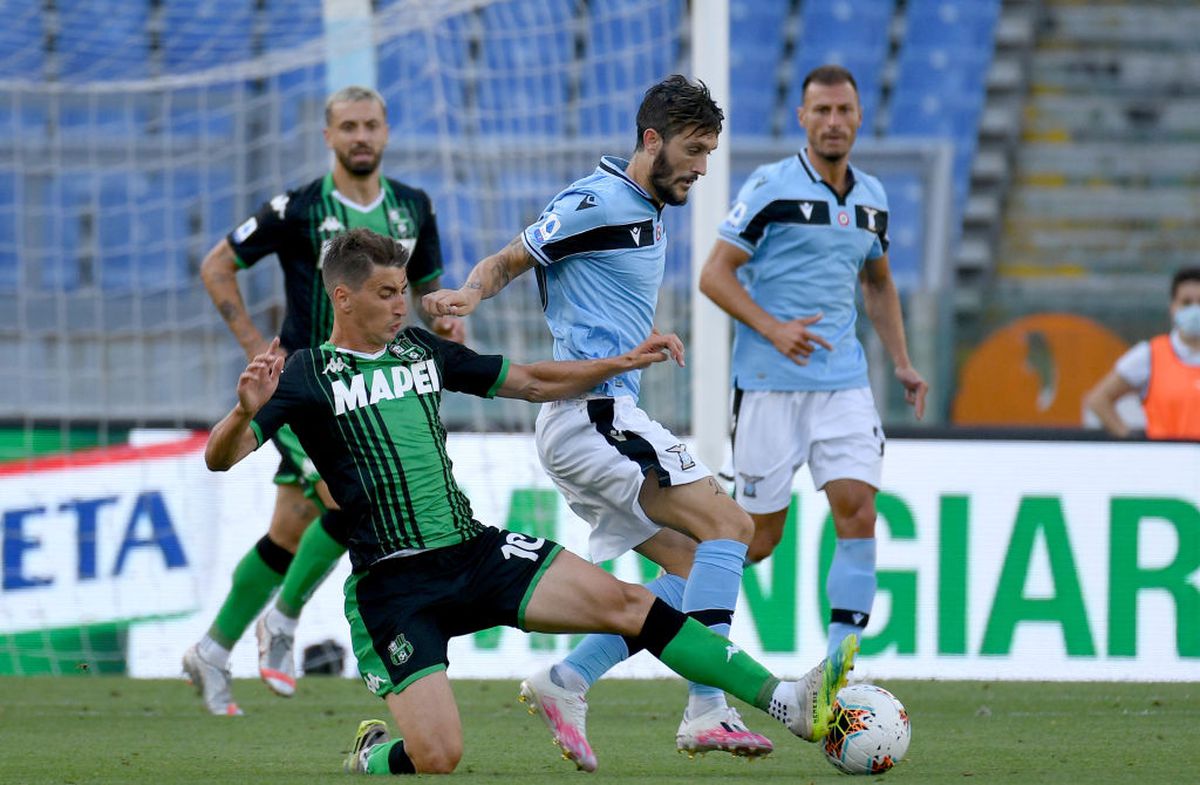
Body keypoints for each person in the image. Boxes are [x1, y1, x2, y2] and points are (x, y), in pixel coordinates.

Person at [203, 228, 856, 775]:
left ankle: (783, 699)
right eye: (384, 293)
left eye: (403, 290)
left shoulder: (418, 349)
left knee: (632, 603)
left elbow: (534, 381)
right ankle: (371, 756)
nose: (401, 304)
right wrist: (241, 413)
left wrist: (619, 362)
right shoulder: (306, 375)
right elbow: (221, 456)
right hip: (393, 586)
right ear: (342, 297)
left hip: (473, 549)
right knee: (438, 755)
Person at [422, 75, 797, 766]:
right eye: (693, 149)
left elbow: (590, 299)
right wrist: (467, 296)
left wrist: (638, 338)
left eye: (710, 152)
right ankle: (708, 708)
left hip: (596, 416)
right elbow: (511, 258)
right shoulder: (596, 202)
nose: (702, 167)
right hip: (594, 415)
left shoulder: (645, 210)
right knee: (732, 526)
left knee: (689, 568)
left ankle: (567, 679)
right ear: (651, 139)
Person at [184, 85, 464, 715]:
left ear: (387, 131)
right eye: (348, 126)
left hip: (371, 388)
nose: (360, 136)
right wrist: (259, 346)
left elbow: (421, 290)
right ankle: (282, 621)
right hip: (308, 390)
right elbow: (216, 265)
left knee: (290, 527)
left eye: (370, 125)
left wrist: (444, 319)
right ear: (328, 135)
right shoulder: (298, 209)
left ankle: (211, 649)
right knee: (351, 494)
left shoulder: (414, 206)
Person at [698, 65, 929, 661]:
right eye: (821, 111)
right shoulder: (771, 187)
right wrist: (772, 328)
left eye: (843, 111)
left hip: (843, 383)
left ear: (859, 116)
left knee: (859, 510)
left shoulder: (874, 199)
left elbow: (877, 283)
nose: (833, 122)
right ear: (802, 117)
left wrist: (902, 361)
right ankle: (655, 610)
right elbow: (713, 274)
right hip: (769, 385)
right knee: (755, 539)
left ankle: (836, 672)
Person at [1085, 267, 1200, 439]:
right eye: (1186, 302)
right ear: (1173, 307)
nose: (1195, 309)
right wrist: (1130, 438)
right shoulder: (1150, 355)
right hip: (1167, 461)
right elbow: (1098, 399)